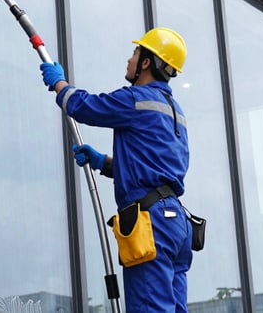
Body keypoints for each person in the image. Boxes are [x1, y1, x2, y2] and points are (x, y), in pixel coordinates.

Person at [40, 27, 193, 312]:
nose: (129, 59)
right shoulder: (175, 110)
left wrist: (59, 84)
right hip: (176, 223)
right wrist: (106, 163)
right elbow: (156, 166)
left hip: (152, 222)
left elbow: (84, 106)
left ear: (147, 62)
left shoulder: (137, 98)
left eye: (135, 53)